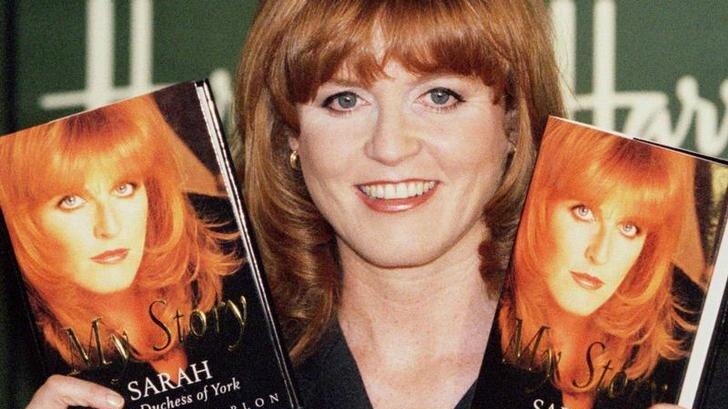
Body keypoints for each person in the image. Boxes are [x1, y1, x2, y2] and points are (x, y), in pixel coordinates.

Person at [22, 1, 690, 408]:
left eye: (440, 96)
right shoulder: (214, 376)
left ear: (513, 122)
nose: (391, 147)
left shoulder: (664, 384)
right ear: (290, 136)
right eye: (345, 99)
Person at [1, 95, 240, 408]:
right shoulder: (17, 360)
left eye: (124, 188)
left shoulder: (231, 245)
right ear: (24, 221)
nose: (109, 227)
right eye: (71, 200)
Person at [479, 120, 699, 409]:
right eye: (583, 212)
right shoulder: (475, 323)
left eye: (630, 228)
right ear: (537, 203)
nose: (601, 254)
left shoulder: (686, 323)